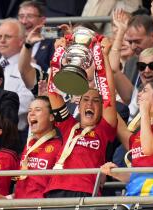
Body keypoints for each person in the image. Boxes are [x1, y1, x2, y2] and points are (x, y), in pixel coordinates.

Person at [44, 37, 117, 197]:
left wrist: (104, 57)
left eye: (96, 101)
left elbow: (109, 94)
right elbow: (52, 93)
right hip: (54, 191)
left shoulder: (104, 130)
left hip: (85, 192)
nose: (90, 104)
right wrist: (58, 55)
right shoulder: (68, 125)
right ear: (78, 104)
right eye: (86, 99)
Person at [101, 78, 153, 196]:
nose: (139, 93)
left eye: (144, 90)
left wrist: (144, 112)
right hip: (134, 192)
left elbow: (148, 149)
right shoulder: (140, 135)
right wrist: (115, 173)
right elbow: (137, 175)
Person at [0, 18, 35, 150]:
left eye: (7, 36)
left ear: (21, 41)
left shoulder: (31, 68)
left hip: (13, 136)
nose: (2, 40)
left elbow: (25, 102)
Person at [14, 96, 62, 198]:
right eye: (29, 110)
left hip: (40, 207)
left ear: (51, 116)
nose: (31, 113)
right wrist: (8, 198)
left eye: (38, 110)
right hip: (19, 205)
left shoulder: (60, 146)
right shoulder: (29, 144)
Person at [17, 1, 55, 73]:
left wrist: (36, 63)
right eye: (21, 16)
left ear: (42, 20)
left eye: (30, 16)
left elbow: (55, 73)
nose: (24, 21)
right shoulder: (13, 39)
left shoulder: (53, 40)